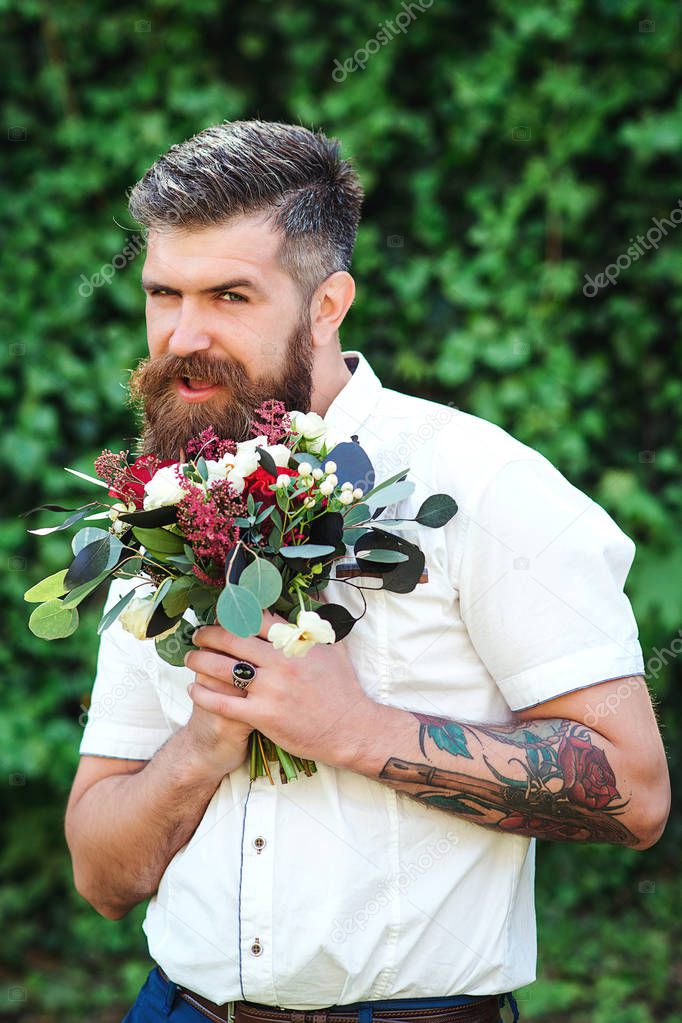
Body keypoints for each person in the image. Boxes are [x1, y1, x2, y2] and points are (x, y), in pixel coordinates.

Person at [64, 120, 671, 1023]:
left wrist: (353, 728)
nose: (183, 335)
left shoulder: (481, 484)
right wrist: (201, 745)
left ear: (328, 303)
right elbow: (102, 876)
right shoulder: (162, 505)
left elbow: (635, 792)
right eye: (164, 294)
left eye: (230, 295)